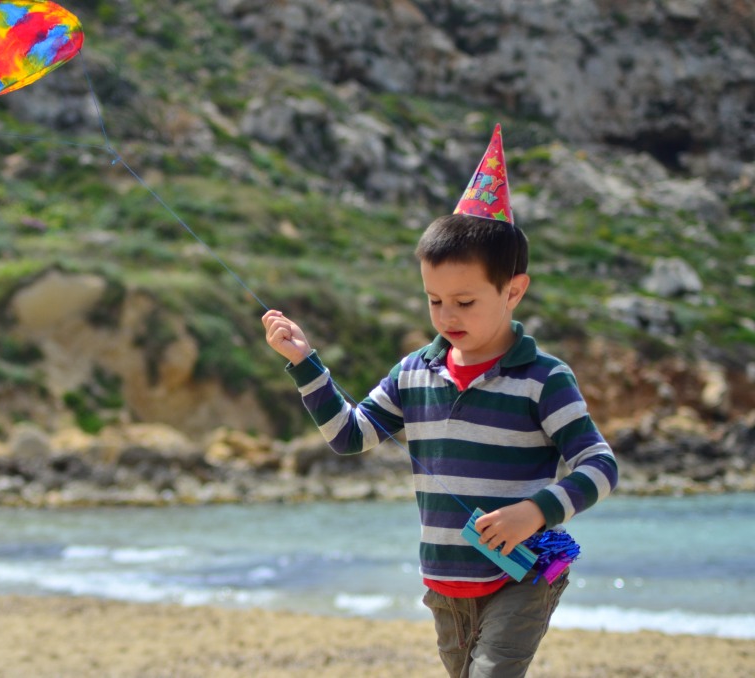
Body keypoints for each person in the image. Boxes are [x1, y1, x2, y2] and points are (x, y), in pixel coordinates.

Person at [261, 124, 618, 678]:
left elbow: (600, 465)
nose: (447, 316)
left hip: (524, 575)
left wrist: (534, 512)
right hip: (445, 583)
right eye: (434, 300)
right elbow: (349, 436)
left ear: (513, 290)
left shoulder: (543, 378)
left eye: (465, 302)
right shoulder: (414, 372)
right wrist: (306, 363)